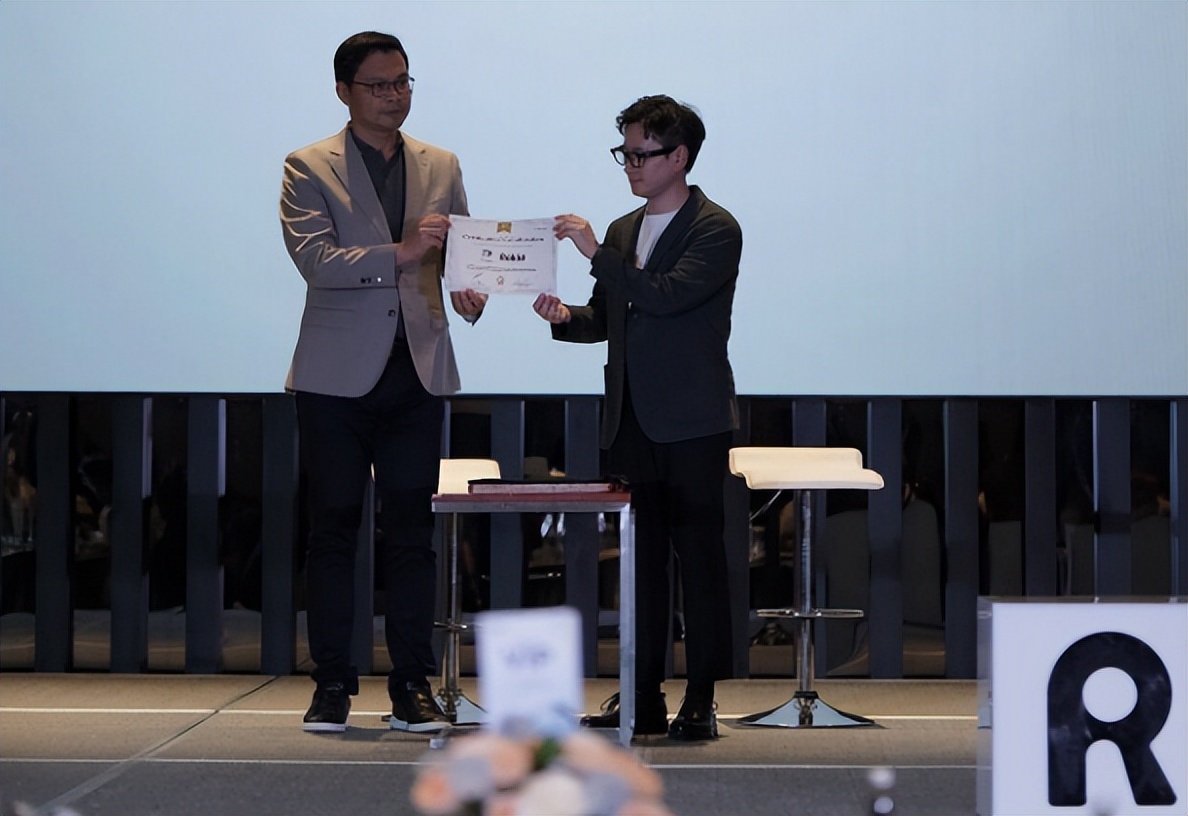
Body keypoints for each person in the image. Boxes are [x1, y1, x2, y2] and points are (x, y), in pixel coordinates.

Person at [280, 31, 487, 734]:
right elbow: (316, 260)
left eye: (402, 82)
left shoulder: (440, 163)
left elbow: (459, 254)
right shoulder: (308, 165)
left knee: (411, 535)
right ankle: (332, 683)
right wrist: (401, 251)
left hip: (416, 372)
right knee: (333, 529)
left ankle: (411, 686)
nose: (394, 96)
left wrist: (469, 289)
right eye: (378, 85)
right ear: (344, 91)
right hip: (335, 378)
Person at [534, 95, 741, 741]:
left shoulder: (715, 227)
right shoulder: (625, 230)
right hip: (631, 419)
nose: (630, 164)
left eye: (641, 153)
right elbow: (611, 315)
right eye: (624, 153)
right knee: (640, 563)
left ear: (679, 157)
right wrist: (568, 318)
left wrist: (596, 253)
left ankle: (701, 697)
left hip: (693, 419)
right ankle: (642, 694)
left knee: (699, 561)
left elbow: (667, 297)